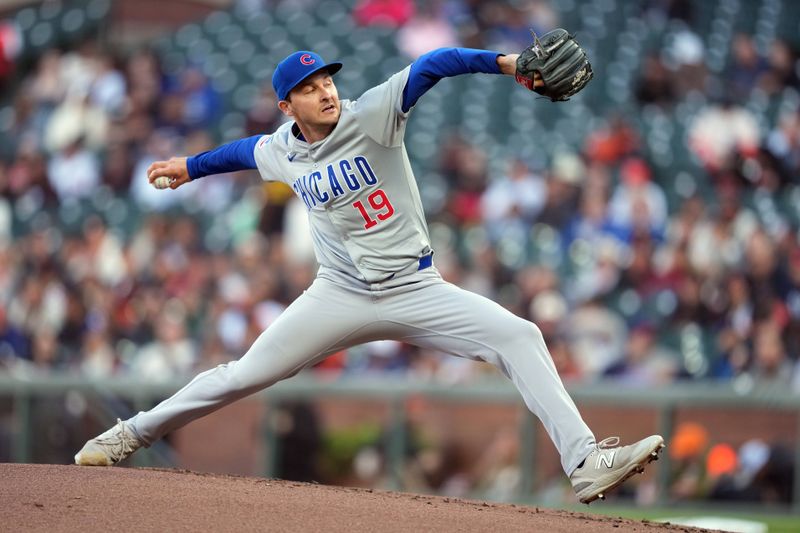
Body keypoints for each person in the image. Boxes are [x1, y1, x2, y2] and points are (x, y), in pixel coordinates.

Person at [74, 46, 664, 504]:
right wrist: (189, 168)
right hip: (339, 293)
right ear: (287, 107)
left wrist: (506, 63)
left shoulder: (373, 114)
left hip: (415, 287)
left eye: (326, 79)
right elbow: (243, 152)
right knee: (241, 374)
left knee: (521, 336)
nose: (324, 91)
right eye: (307, 88)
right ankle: (130, 434)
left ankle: (584, 463)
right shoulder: (282, 148)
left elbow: (435, 64)